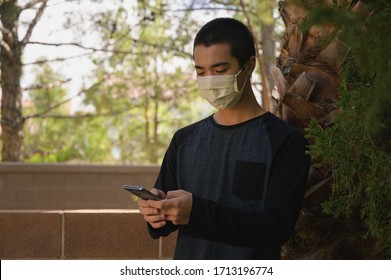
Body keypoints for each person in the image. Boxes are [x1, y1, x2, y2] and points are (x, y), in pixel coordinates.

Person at [138, 17, 310, 260]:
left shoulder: (285, 141)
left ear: (249, 65)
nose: (209, 80)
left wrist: (196, 212)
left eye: (220, 71)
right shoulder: (184, 140)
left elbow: (277, 228)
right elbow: (164, 225)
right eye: (201, 72)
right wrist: (154, 214)